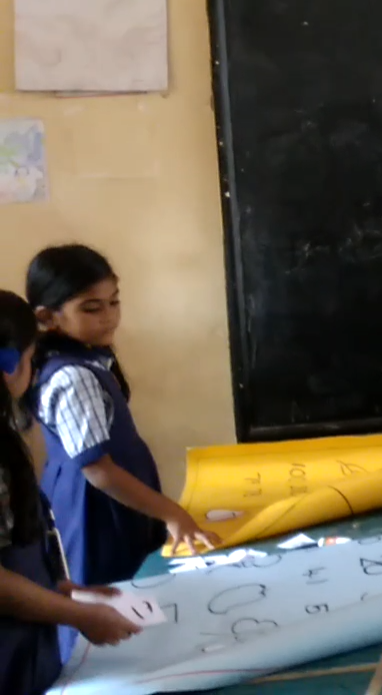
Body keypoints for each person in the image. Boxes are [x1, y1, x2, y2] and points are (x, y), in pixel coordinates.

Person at [28, 244, 218, 654]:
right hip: (95, 510)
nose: (109, 316)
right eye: (91, 308)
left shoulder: (91, 360)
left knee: (135, 594)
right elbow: (98, 471)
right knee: (107, 597)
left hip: (112, 503)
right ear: (47, 317)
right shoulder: (73, 376)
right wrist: (173, 513)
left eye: (114, 302)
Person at [0, 292, 141, 688]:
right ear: (9, 366)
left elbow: (13, 548)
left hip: (27, 646)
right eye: (31, 358)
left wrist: (63, 590)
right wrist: (79, 615)